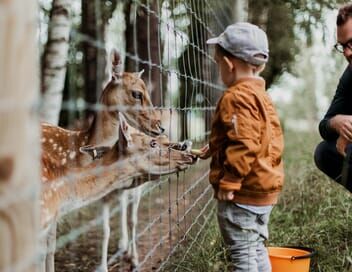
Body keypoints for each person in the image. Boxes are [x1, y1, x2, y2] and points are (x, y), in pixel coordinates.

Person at [197, 22, 284, 272]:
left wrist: (231, 180)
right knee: (256, 249)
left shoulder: (235, 97)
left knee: (242, 257)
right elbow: (263, 139)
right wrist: (215, 148)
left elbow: (245, 142)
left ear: (229, 64)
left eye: (218, 64)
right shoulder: (262, 97)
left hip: (241, 194)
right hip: (262, 191)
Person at [314, 3, 352, 193]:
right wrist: (337, 123)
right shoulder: (350, 75)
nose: (347, 53)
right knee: (324, 152)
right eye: (342, 46)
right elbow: (324, 125)